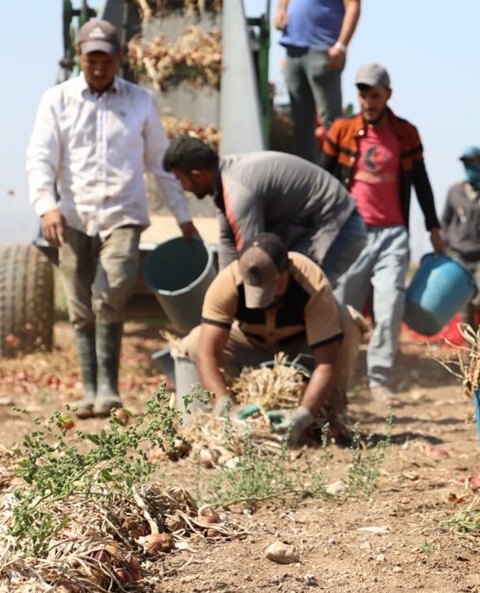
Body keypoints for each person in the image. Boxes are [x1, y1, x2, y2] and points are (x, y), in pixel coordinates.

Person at [26, 18, 196, 420]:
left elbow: (160, 163)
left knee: (111, 291)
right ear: (80, 58)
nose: (99, 67)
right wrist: (46, 206)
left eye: (106, 60)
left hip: (123, 214)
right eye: (91, 60)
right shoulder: (57, 100)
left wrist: (183, 215)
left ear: (120, 58)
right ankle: (90, 390)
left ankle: (110, 388)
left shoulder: (139, 102)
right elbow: (40, 157)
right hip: (73, 216)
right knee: (80, 303)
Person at [320, 62, 445, 404]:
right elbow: (322, 177)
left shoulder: (405, 134)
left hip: (392, 235)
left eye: (374, 94)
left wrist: (433, 227)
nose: (368, 101)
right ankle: (336, 379)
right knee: (341, 307)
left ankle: (379, 380)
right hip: (351, 233)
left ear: (387, 94)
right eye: (363, 93)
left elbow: (421, 183)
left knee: (389, 306)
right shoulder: (342, 131)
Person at [177, 233, 362, 445]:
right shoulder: (227, 283)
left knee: (347, 321)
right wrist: (224, 407)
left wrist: (302, 416)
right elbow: (207, 354)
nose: (268, 298)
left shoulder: (311, 282)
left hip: (299, 351)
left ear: (288, 269)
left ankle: (328, 415)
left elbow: (327, 362)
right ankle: (207, 421)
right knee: (195, 340)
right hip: (250, 346)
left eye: (274, 288)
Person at [161, 136, 366, 286]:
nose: (182, 187)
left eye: (180, 179)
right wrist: (222, 293)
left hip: (338, 227)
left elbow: (253, 259)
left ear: (197, 175)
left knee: (303, 297)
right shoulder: (224, 182)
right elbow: (228, 244)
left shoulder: (238, 190)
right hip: (320, 226)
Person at [274, 0, 362, 162]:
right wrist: (280, 11)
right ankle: (308, 174)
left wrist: (341, 46)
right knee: (300, 121)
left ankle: (336, 174)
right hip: (293, 48)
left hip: (322, 51)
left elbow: (353, 6)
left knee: (331, 121)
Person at [440, 146, 480, 347]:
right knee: (465, 308)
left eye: (473, 163)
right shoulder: (454, 192)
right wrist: (444, 249)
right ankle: (472, 355)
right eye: (466, 164)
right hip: (458, 257)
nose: (469, 168)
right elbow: (445, 222)